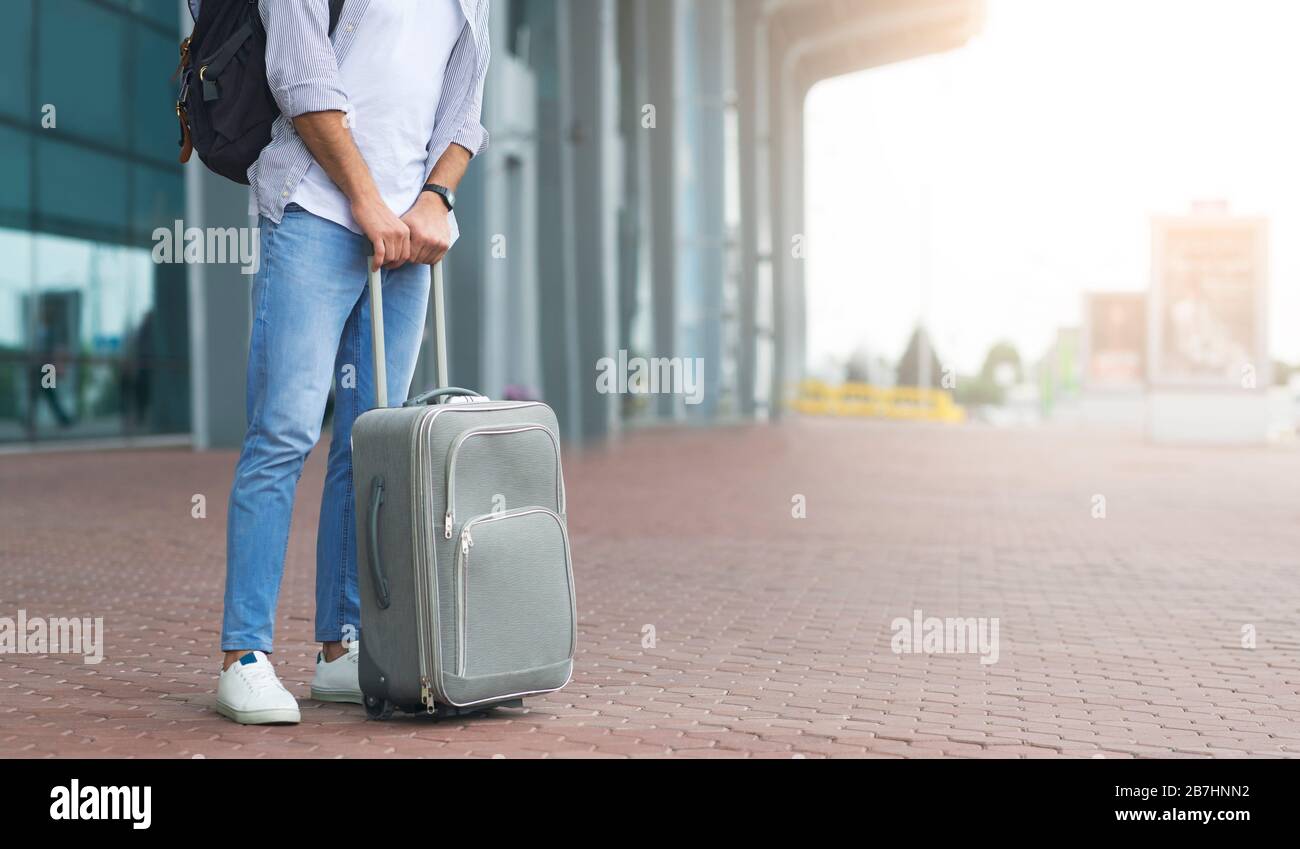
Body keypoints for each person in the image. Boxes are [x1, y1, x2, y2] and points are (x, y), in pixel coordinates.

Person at [214, 0, 490, 725]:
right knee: (283, 431)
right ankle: (243, 655)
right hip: (316, 212)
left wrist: (434, 198)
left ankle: (341, 648)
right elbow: (299, 76)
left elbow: (467, 104)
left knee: (371, 447)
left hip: (411, 237)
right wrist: (369, 203)